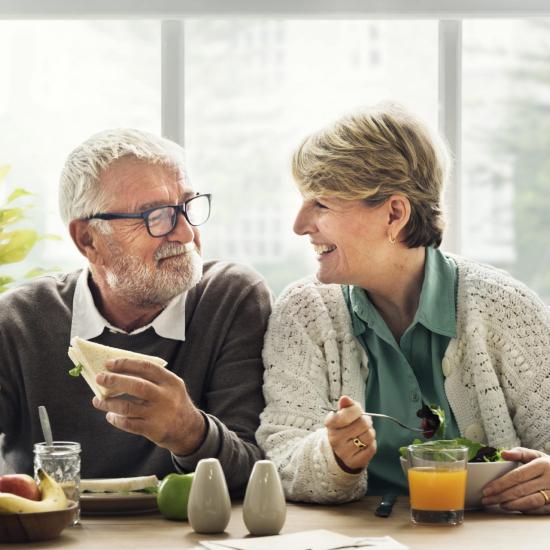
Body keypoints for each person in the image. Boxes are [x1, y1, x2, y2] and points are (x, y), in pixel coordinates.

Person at [257, 102, 550, 513]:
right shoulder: (304, 312)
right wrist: (336, 457)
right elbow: (281, 456)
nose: (300, 224)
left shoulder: (508, 308)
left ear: (394, 213)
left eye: (321, 204)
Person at [0, 129, 272, 497]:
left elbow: (259, 476)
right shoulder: (19, 321)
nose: (186, 233)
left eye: (188, 206)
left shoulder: (231, 298)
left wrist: (189, 432)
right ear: (88, 240)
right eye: (155, 216)